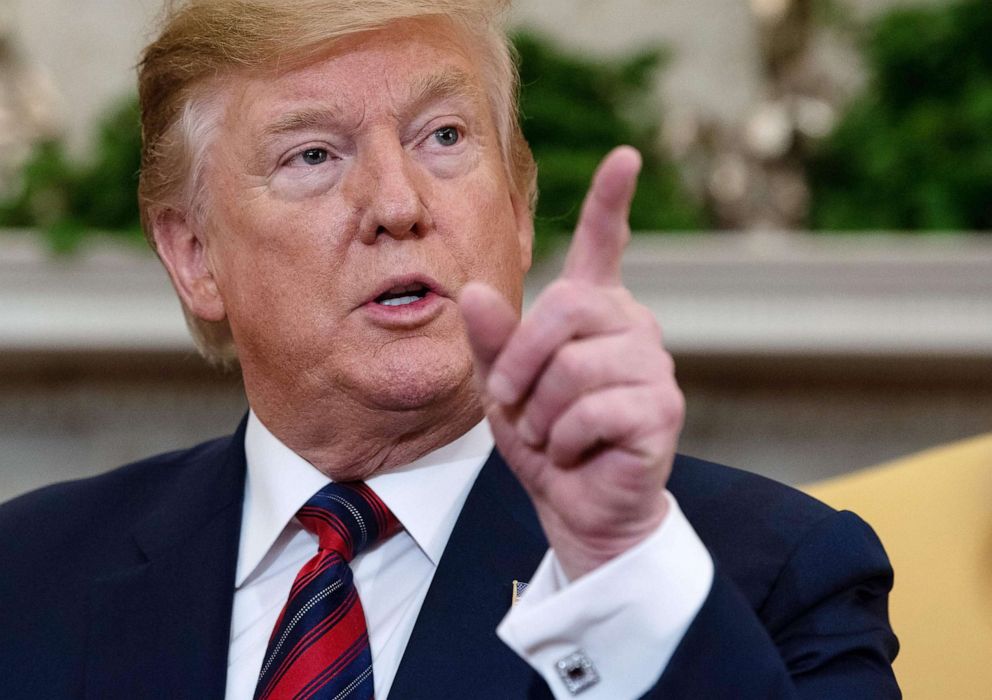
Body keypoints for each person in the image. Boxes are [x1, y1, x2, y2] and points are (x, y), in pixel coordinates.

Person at [0, 1, 898, 698]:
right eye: (313, 155)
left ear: (516, 210)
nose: (398, 202)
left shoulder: (771, 576)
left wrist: (616, 565)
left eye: (444, 137)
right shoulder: (26, 579)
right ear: (194, 256)